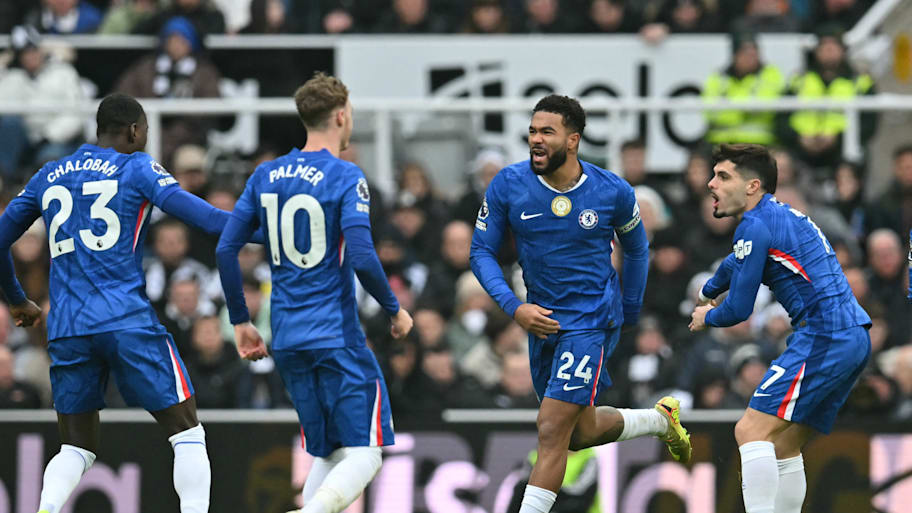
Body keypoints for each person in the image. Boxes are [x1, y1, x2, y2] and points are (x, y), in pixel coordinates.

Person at [0, 93, 262, 513]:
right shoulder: (136, 167)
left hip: (66, 324)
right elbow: (210, 219)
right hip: (125, 319)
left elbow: (0, 239)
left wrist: (17, 300)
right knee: (187, 432)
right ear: (135, 130)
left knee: (75, 448)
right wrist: (278, 234)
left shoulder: (49, 174)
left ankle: (44, 509)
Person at [470, 94, 691, 513]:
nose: (536, 139)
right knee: (578, 432)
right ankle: (661, 420)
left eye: (546, 132)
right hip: (540, 319)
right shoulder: (509, 184)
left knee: (551, 428)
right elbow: (480, 252)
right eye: (533, 131)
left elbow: (638, 250)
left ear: (572, 140)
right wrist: (515, 308)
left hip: (591, 320)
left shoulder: (611, 191)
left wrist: (628, 309)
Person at [215, 72, 413, 513]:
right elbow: (362, 256)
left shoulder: (265, 175)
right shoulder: (346, 176)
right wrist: (395, 309)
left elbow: (227, 247)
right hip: (335, 336)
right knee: (366, 451)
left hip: (286, 338)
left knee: (326, 453)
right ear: (341, 116)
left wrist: (241, 322)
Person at [690, 143, 872, 513]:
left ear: (753, 186)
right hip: (852, 334)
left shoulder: (753, 226)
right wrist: (710, 289)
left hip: (825, 335)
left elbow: (739, 310)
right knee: (784, 445)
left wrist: (705, 316)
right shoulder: (780, 216)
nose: (711, 183)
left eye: (723, 176)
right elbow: (734, 261)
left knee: (750, 431)